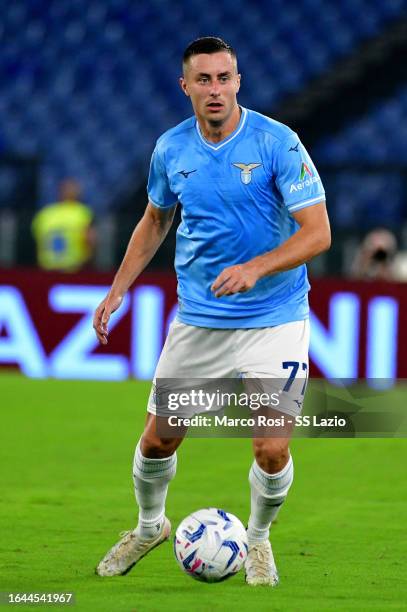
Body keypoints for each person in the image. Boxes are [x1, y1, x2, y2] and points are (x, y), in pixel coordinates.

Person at [93, 37, 330, 586]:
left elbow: (318, 233)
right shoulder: (171, 149)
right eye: (204, 80)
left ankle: (259, 540)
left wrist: (257, 268)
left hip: (275, 316)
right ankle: (150, 526)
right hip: (201, 320)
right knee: (157, 440)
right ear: (186, 87)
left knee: (271, 449)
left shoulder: (278, 142)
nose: (215, 89)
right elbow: (155, 220)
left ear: (238, 81)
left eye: (224, 78)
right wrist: (118, 289)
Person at [31, 179, 95, 272]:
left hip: (47, 268)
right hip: (74, 268)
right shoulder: (82, 212)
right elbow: (90, 240)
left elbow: (37, 240)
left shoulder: (45, 213)